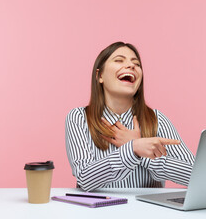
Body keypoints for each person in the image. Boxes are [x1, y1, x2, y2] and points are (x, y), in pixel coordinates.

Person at [65, 42, 195, 191]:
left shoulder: (157, 119)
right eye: (119, 60)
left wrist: (140, 149)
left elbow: (196, 175)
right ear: (99, 75)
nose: (131, 66)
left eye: (136, 64)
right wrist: (132, 149)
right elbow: (85, 178)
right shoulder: (79, 118)